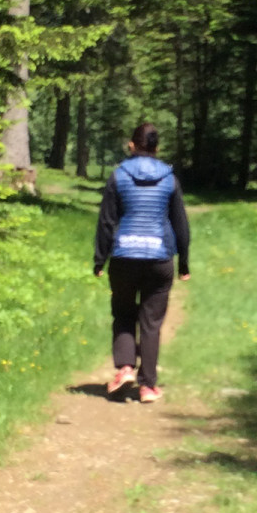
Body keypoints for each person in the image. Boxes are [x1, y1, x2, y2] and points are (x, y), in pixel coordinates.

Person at [93, 121, 191, 402]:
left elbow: (107, 222)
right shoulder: (169, 179)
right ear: (157, 148)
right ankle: (148, 386)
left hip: (124, 256)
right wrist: (183, 262)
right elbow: (180, 224)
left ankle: (125, 368)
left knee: (124, 313)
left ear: (131, 145)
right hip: (159, 258)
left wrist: (100, 259)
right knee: (151, 322)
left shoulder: (118, 176)